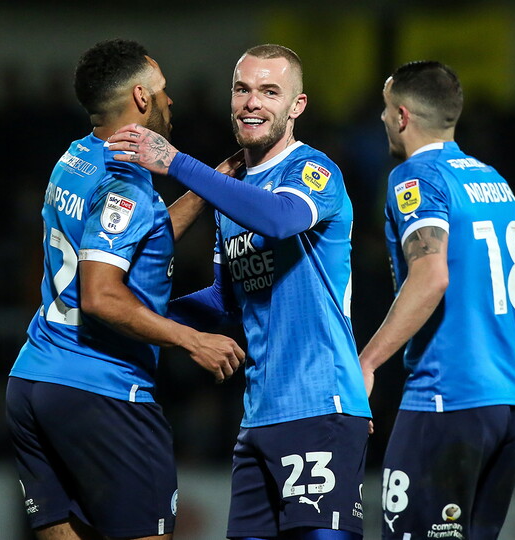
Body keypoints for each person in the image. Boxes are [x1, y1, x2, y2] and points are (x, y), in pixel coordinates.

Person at [108, 44, 371, 540]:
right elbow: (226, 301)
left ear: (297, 106)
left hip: (319, 406)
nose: (252, 102)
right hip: (258, 418)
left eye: (270, 92)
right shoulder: (233, 194)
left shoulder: (312, 171)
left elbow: (280, 219)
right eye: (242, 89)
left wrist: (177, 163)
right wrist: (136, 316)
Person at [5, 39, 246, 540]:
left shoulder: (76, 158)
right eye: (162, 90)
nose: (170, 100)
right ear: (140, 97)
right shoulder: (125, 182)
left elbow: (139, 240)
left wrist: (211, 184)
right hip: (102, 390)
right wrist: (192, 340)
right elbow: (102, 295)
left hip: (33, 381)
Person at [356, 61, 515, 540]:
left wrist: (367, 362)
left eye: (386, 108)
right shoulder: (494, 181)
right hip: (511, 401)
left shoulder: (416, 176)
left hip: (447, 397)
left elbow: (431, 276)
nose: (382, 118)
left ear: (403, 116)